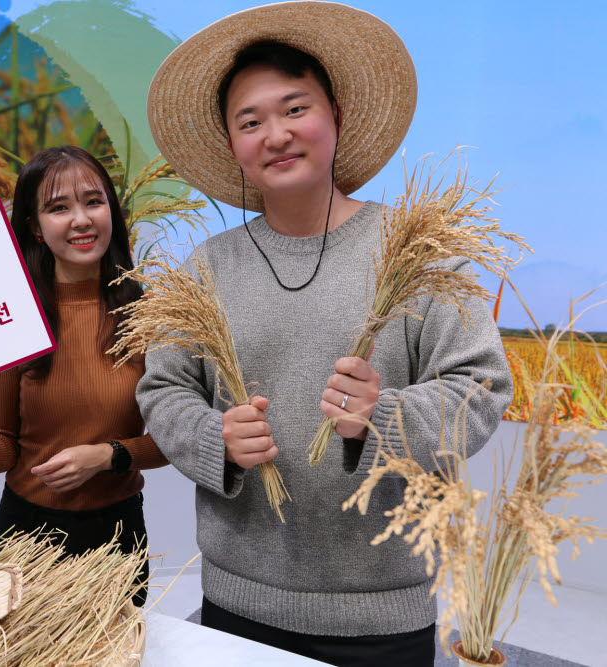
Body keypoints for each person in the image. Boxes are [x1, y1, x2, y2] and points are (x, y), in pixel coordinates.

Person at [137, 3, 513, 665]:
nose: (275, 134)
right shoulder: (207, 268)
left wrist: (385, 417)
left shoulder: (414, 254)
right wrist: (211, 436)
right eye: (249, 122)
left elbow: (481, 387)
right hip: (235, 601)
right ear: (233, 147)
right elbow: (163, 389)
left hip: (382, 614)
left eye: (295, 108)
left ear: (336, 114)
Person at [0, 146, 169, 606]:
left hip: (116, 535)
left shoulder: (149, 314)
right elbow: (2, 449)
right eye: (59, 208)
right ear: (35, 227)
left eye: (93, 202)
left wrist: (107, 456)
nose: (81, 219)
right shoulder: (12, 315)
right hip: (27, 535)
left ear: (111, 212)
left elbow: (178, 439)